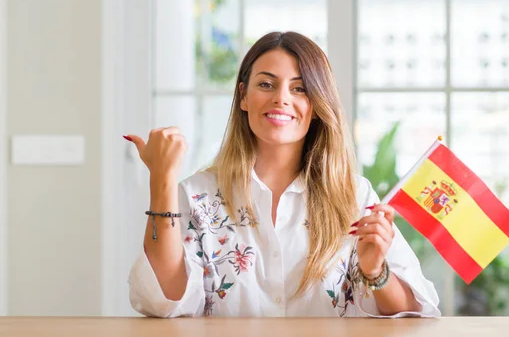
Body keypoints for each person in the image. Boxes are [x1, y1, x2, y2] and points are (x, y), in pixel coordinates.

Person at [125, 31, 440, 318]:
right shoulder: (197, 194)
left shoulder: (354, 197)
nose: (281, 98)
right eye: (266, 84)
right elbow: (162, 301)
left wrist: (375, 272)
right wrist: (162, 179)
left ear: (316, 105)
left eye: (300, 88)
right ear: (243, 96)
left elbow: (412, 315)